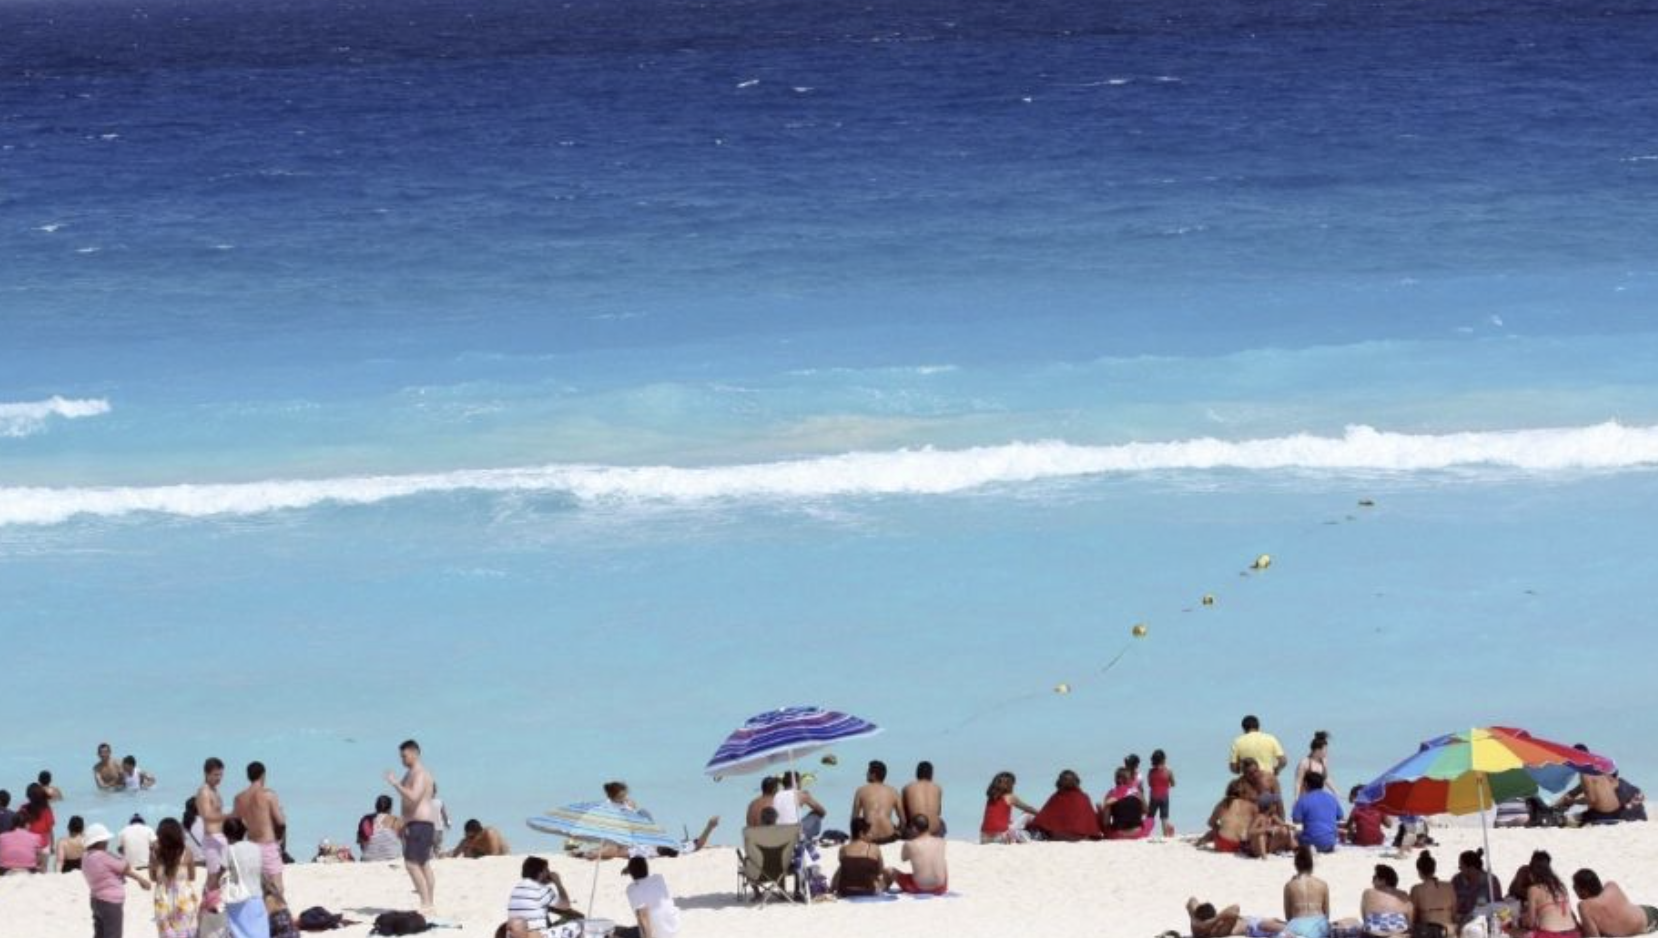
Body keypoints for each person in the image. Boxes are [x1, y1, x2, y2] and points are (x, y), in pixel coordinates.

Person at [385, 739, 437, 915]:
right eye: (401, 756)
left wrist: (395, 784)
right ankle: (429, 903)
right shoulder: (409, 774)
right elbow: (407, 801)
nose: (402, 760)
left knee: (412, 864)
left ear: (415, 753)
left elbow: (414, 797)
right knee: (422, 864)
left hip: (421, 824)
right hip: (414, 824)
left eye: (404, 756)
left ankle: (426, 903)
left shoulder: (421, 773)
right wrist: (401, 823)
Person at [84, 822, 152, 938]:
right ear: (101, 842)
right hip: (110, 902)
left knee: (99, 934)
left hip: (95, 900)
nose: (107, 842)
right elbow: (124, 866)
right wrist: (141, 879)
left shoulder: (86, 858)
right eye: (105, 840)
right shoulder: (104, 856)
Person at [232, 761, 287, 900]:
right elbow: (280, 822)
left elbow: (236, 827)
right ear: (263, 775)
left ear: (248, 776)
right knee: (277, 887)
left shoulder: (239, 798)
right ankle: (275, 917)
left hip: (250, 847)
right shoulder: (269, 795)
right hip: (267, 844)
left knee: (255, 888)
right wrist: (279, 840)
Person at [506, 855, 582, 937]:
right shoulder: (541, 889)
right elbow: (566, 905)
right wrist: (558, 883)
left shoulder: (517, 889)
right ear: (540, 873)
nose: (549, 873)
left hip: (518, 934)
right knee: (578, 925)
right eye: (546, 870)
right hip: (537, 935)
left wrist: (545, 882)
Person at [1573, 868, 1658, 937]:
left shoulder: (1584, 906)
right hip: (1648, 917)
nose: (1573, 888)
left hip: (1649, 923)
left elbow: (1592, 936)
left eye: (1575, 886)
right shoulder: (1611, 886)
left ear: (1584, 891)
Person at [151, 817, 200, 938]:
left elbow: (153, 878)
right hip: (185, 899)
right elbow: (192, 877)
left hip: (163, 901)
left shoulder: (154, 854)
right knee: (187, 933)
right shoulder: (186, 852)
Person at [221, 819, 270, 938]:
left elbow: (220, 872)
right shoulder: (257, 848)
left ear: (226, 834)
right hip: (257, 898)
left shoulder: (229, 850)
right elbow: (263, 873)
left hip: (238, 900)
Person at [1521, 851, 1583, 938]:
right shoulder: (1561, 886)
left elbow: (1531, 923)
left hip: (1550, 935)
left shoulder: (1533, 889)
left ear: (1532, 873)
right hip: (1573, 933)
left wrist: (1522, 919)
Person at [1027, 770, 1101, 841]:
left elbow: (1041, 820)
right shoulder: (1084, 797)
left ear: (1060, 783)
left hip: (1057, 837)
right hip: (1081, 837)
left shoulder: (1056, 797)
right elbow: (1091, 823)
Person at [616, 857, 679, 938]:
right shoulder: (658, 879)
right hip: (673, 929)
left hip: (658, 934)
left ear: (631, 873)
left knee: (615, 932)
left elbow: (643, 916)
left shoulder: (633, 889)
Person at [830, 818, 889, 897]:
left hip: (845, 891)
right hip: (867, 890)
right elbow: (880, 872)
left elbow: (845, 870)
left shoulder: (843, 849)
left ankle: (831, 888)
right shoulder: (874, 848)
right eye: (869, 833)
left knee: (841, 868)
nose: (871, 835)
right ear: (861, 833)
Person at [851, 760, 906, 845]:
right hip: (889, 836)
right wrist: (897, 834)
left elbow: (854, 819)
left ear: (873, 775)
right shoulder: (893, 791)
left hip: (869, 836)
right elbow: (903, 820)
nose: (866, 774)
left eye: (868, 772)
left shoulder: (861, 791)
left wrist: (854, 839)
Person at [1283, 845, 1333, 938]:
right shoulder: (1322, 884)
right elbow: (1327, 915)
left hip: (1297, 923)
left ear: (1296, 865)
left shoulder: (1289, 886)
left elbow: (1288, 916)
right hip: (1318, 923)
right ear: (1311, 864)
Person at [891, 814, 947, 895]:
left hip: (918, 888)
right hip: (940, 888)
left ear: (914, 828)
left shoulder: (909, 844)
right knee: (943, 862)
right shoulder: (941, 842)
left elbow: (903, 858)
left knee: (891, 871)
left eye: (910, 828)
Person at [196, 758, 229, 896]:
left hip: (220, 837)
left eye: (221, 774)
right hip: (211, 838)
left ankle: (211, 902)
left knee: (223, 871)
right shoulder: (204, 792)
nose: (219, 778)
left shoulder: (214, 790)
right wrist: (231, 815)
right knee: (213, 876)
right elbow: (206, 815)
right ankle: (205, 906)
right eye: (216, 775)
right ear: (206, 773)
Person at [980, 771, 1039, 844]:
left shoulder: (991, 797)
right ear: (1009, 785)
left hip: (984, 838)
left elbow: (996, 817)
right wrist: (1042, 814)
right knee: (1027, 815)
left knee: (1012, 824)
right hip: (1000, 837)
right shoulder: (1010, 797)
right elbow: (1028, 808)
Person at [1290, 771, 1343, 853]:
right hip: (1330, 841)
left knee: (1294, 835)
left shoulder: (1303, 800)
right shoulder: (1332, 798)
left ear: (1306, 784)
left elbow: (1296, 820)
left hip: (1311, 842)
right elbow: (1340, 816)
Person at [1187, 897, 1288, 938]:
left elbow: (1191, 901)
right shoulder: (1217, 931)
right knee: (1288, 929)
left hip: (1252, 920)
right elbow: (1235, 909)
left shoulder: (1195, 922)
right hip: (1254, 927)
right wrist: (1213, 921)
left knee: (1285, 924)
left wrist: (1206, 922)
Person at [1410, 851, 1458, 937]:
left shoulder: (1417, 889)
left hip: (1428, 931)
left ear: (1419, 871)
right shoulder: (1449, 886)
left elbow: (1412, 916)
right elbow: (1454, 913)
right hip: (1449, 929)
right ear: (1434, 869)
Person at [1360, 864, 1414, 937]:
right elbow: (1410, 919)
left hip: (1374, 933)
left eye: (1374, 877)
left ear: (1383, 880)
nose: (1372, 881)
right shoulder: (1403, 894)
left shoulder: (1368, 893)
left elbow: (1365, 917)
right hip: (1399, 933)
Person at [1453, 849, 1503, 926]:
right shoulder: (1457, 880)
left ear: (1471, 868)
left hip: (1485, 922)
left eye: (1461, 867)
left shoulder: (1490, 881)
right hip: (1461, 922)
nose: (1459, 869)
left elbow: (1499, 906)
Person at [1206, 780, 1258, 854]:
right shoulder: (1253, 806)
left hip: (1223, 844)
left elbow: (1210, 823)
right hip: (1241, 845)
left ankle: (1198, 843)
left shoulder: (1224, 803)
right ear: (1245, 791)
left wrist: (1221, 828)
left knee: (1213, 832)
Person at [772, 771, 826, 842]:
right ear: (796, 783)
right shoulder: (801, 794)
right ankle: (807, 838)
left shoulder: (776, 795)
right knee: (816, 814)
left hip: (778, 835)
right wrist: (808, 797)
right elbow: (822, 811)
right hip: (795, 835)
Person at [1101, 767, 1154, 840]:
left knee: (1102, 822)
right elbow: (1146, 811)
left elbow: (1106, 822)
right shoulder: (1136, 792)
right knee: (1151, 820)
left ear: (1116, 779)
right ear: (1128, 779)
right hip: (1138, 833)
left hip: (1118, 834)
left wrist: (1105, 807)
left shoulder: (1110, 794)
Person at [901, 761, 944, 837]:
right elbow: (938, 812)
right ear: (931, 774)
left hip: (915, 832)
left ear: (917, 774)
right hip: (934, 832)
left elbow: (904, 814)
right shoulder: (938, 788)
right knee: (942, 823)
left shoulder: (907, 788)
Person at [356, 795, 403, 862]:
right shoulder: (395, 820)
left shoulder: (366, 819)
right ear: (390, 808)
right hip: (392, 858)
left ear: (376, 807)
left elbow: (361, 843)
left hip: (368, 859)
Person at [0, 806, 45, 874]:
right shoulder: (36, 837)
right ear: (27, 824)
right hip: (29, 868)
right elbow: (39, 858)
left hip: (5, 869)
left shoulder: (2, 837)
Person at [1294, 732, 1335, 798]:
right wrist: (1296, 799)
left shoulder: (1324, 762)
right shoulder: (1304, 763)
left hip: (1319, 796)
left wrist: (1335, 791)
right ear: (1317, 750)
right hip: (1306, 797)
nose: (1327, 752)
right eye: (1325, 750)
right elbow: (1298, 782)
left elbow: (1325, 778)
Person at [1148, 749, 1177, 838]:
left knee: (1150, 816)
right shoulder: (1168, 771)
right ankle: (1165, 834)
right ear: (1164, 759)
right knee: (1164, 817)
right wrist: (1166, 783)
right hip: (1164, 796)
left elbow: (1150, 784)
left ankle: (1147, 833)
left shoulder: (1150, 772)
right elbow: (1173, 784)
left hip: (1153, 796)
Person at [430, 784, 451, 855]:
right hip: (439, 829)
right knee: (437, 847)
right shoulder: (440, 802)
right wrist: (447, 823)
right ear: (436, 791)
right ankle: (436, 859)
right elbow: (444, 814)